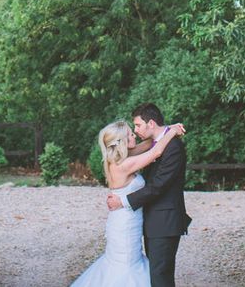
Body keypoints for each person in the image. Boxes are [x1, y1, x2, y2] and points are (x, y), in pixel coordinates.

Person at [70, 113, 186, 287]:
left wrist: (167, 128)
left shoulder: (121, 158)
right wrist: (172, 132)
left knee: (131, 263)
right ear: (122, 141)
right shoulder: (122, 165)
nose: (135, 135)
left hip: (128, 219)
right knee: (125, 267)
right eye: (131, 134)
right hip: (124, 223)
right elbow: (156, 151)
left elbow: (151, 141)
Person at [106, 103, 192, 287]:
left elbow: (158, 186)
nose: (135, 131)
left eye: (137, 126)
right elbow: (154, 149)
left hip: (165, 221)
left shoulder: (173, 147)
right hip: (150, 222)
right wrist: (171, 130)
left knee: (160, 276)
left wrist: (123, 200)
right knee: (153, 275)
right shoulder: (150, 147)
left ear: (151, 123)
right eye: (132, 130)